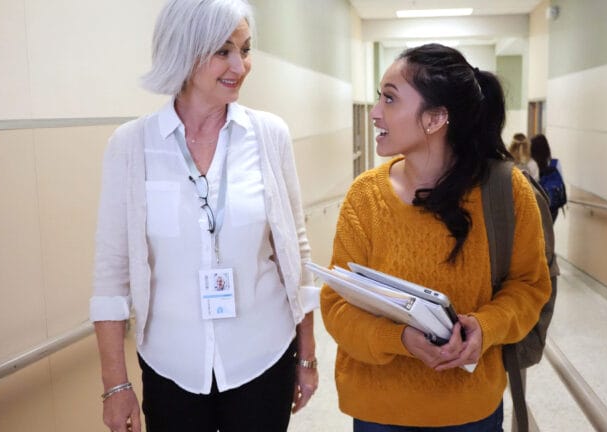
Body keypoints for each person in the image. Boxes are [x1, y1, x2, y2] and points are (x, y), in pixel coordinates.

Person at [89, 1, 319, 431]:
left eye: (246, 49)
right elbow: (111, 273)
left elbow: (296, 252)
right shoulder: (131, 146)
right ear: (185, 51)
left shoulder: (269, 135)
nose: (241, 65)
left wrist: (306, 355)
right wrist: (115, 384)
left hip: (263, 353)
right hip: (170, 363)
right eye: (223, 51)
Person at [320, 44, 551, 431]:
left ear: (436, 118)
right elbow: (336, 307)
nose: (375, 112)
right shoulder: (365, 197)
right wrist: (400, 339)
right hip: (379, 412)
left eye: (390, 99)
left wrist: (485, 326)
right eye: (379, 97)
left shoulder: (506, 191)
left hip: (469, 412)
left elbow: (529, 286)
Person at [531, 133, 566, 222]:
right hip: (553, 207)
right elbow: (561, 181)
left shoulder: (533, 164)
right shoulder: (556, 163)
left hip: (539, 206)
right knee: (549, 232)